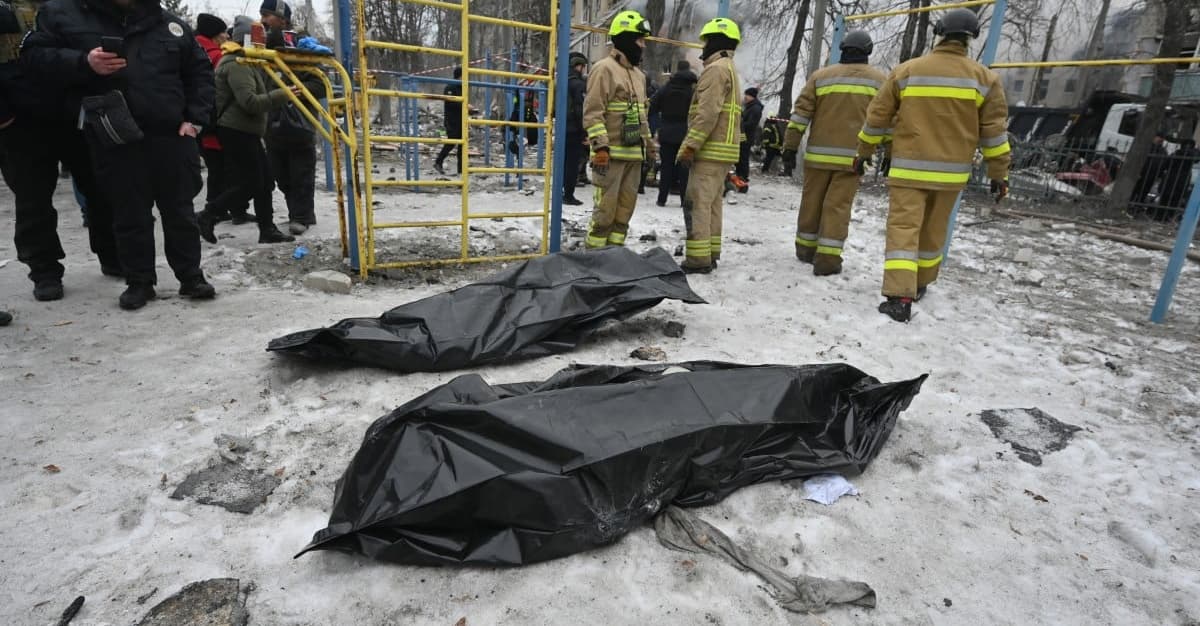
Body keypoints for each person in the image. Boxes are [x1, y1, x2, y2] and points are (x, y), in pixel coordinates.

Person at [22, 0, 218, 310]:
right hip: (114, 134)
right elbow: (34, 57)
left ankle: (191, 277)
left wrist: (195, 119)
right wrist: (84, 62)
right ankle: (139, 281)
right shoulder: (65, 14)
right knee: (129, 214)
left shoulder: (169, 23)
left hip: (172, 134)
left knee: (180, 212)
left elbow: (200, 73)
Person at [856, 8, 1010, 322]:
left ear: (939, 33)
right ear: (970, 39)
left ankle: (900, 296)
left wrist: (864, 151)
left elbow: (877, 117)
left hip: (909, 170)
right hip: (951, 174)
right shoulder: (985, 79)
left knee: (903, 230)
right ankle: (921, 284)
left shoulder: (907, 71)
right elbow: (994, 132)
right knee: (933, 231)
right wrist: (999, 173)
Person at [1, 0, 121, 302]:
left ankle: (112, 255)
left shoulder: (71, 7)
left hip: (71, 110)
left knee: (99, 187)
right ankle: (44, 270)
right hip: (20, 118)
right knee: (33, 199)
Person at [780, 30, 886, 277]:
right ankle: (827, 260)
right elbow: (886, 120)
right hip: (853, 159)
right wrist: (889, 150)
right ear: (868, 51)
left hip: (817, 156)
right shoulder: (880, 81)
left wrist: (790, 146)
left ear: (843, 50)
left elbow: (800, 115)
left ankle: (805, 250)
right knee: (837, 208)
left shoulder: (821, 77)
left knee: (811, 203)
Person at [198, 15, 297, 245]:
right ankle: (208, 214)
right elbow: (250, 102)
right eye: (257, 37)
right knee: (252, 182)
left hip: (247, 131)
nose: (262, 42)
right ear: (246, 39)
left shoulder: (248, 61)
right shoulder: (236, 63)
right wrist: (284, 94)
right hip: (236, 131)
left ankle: (267, 229)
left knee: (265, 181)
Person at [582, 10, 653, 248]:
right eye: (639, 40)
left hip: (633, 156)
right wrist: (600, 147)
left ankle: (614, 257)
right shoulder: (604, 69)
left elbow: (642, 116)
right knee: (605, 212)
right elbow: (593, 112)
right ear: (624, 39)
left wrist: (650, 147)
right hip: (609, 156)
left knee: (624, 213)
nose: (642, 46)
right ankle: (593, 259)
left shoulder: (639, 76)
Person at [677, 17, 741, 274]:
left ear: (715, 41)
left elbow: (707, 113)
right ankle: (711, 253)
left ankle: (698, 259)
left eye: (706, 41)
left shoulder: (715, 71)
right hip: (722, 151)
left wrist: (690, 146)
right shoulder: (730, 68)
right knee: (713, 203)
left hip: (708, 150)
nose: (702, 47)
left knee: (697, 203)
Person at [194, 13, 249, 224]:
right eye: (223, 33)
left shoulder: (192, 50)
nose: (227, 36)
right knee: (230, 168)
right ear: (215, 36)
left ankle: (217, 209)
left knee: (216, 167)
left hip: (201, 119)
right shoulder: (218, 56)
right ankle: (223, 210)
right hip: (221, 120)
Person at [650, 59, 696, 207]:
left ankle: (661, 199)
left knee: (666, 166)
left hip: (667, 132)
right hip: (685, 133)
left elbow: (653, 107)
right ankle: (684, 200)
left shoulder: (666, 88)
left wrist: (658, 125)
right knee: (684, 168)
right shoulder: (692, 91)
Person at [562, 52, 588, 206]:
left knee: (562, 162)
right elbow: (580, 110)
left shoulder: (562, 81)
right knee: (572, 164)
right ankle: (569, 195)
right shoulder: (578, 84)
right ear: (579, 66)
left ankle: (560, 190)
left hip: (562, 127)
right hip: (574, 129)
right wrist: (584, 132)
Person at [434, 66, 464, 176]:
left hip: (461, 120)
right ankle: (438, 161)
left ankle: (461, 170)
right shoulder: (450, 87)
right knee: (452, 142)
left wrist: (470, 110)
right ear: (460, 76)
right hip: (452, 121)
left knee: (463, 145)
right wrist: (465, 105)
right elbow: (451, 102)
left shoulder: (462, 87)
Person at [1132, 131, 1168, 208]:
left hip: (1152, 175)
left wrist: (1159, 175)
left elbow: (1164, 163)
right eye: (1159, 137)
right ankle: (1129, 204)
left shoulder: (1163, 151)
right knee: (1135, 189)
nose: (1160, 139)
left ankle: (1137, 206)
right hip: (1142, 173)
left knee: (1144, 191)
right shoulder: (1147, 147)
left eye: (1162, 138)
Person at [1160, 139, 1199, 209]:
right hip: (1181, 179)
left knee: (1166, 197)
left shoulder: (1176, 153)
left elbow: (1166, 164)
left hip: (1171, 178)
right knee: (1175, 199)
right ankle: (1168, 215)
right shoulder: (1192, 155)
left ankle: (1160, 214)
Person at [735, 86, 762, 181]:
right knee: (741, 156)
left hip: (747, 137)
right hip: (744, 136)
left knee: (743, 157)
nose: (745, 97)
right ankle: (740, 175)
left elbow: (751, 124)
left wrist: (739, 124)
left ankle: (743, 176)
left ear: (752, 96)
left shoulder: (755, 108)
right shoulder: (750, 107)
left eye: (747, 95)